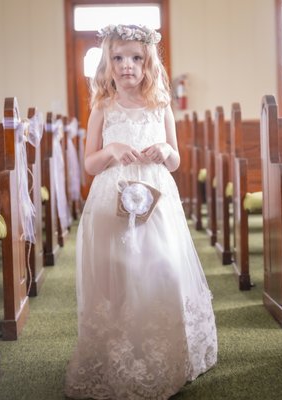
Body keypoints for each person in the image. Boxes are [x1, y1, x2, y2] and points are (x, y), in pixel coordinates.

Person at [64, 24, 217, 400]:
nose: (126, 66)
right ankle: (119, 349)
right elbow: (89, 163)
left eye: (135, 58)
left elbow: (177, 158)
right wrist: (111, 149)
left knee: (159, 266)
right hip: (112, 198)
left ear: (148, 62)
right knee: (120, 272)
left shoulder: (160, 104)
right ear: (107, 63)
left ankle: (162, 348)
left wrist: (165, 153)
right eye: (117, 58)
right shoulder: (103, 105)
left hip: (156, 198)